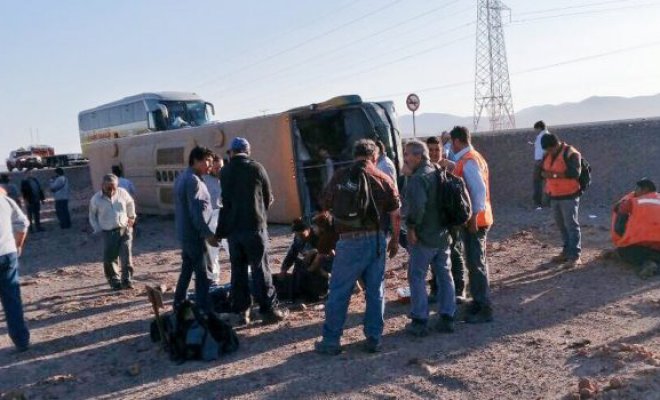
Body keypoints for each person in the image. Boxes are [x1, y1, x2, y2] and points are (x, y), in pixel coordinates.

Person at [315, 139, 401, 355]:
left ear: (355, 155)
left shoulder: (340, 176)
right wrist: (395, 239)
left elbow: (324, 203)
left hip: (348, 241)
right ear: (374, 157)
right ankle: (373, 338)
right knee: (375, 290)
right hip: (375, 240)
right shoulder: (382, 177)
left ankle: (331, 341)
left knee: (339, 292)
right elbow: (395, 213)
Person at [220, 137, 288, 324]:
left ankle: (241, 312)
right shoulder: (257, 168)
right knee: (260, 268)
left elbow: (225, 202)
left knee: (238, 270)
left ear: (232, 152)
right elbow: (267, 197)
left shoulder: (225, 171)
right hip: (254, 227)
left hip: (234, 231)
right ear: (248, 151)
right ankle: (268, 310)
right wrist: (260, 213)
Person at [402, 140, 456, 337]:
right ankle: (448, 316)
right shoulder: (436, 170)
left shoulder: (418, 178)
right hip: (443, 235)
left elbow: (417, 207)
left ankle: (420, 320)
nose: (405, 158)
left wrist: (411, 229)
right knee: (444, 275)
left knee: (416, 276)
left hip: (425, 237)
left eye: (407, 154)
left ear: (417, 156)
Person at [449, 126, 494, 323]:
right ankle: (478, 300)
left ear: (457, 141)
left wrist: (474, 217)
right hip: (479, 218)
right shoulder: (473, 158)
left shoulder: (469, 161)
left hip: (477, 220)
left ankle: (483, 306)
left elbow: (478, 191)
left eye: (452, 142)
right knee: (476, 261)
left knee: (476, 263)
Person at [173, 146, 218, 313]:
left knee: (187, 271)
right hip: (195, 235)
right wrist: (207, 234)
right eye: (207, 161)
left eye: (211, 162)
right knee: (203, 274)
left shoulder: (183, 177)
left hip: (186, 233)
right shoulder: (193, 180)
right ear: (196, 160)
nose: (210, 166)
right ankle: (204, 310)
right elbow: (196, 212)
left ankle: (179, 304)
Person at [426, 136, 466, 304]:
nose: (434, 153)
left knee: (455, 252)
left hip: (450, 218)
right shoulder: (424, 170)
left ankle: (459, 289)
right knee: (434, 256)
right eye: (431, 150)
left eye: (437, 149)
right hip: (433, 221)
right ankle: (436, 288)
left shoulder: (451, 167)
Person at [540, 132, 583, 267]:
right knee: (561, 225)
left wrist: (553, 175)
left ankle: (575, 256)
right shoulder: (547, 154)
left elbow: (575, 173)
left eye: (549, 149)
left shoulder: (571, 153)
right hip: (554, 195)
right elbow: (542, 171)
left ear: (555, 145)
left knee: (571, 225)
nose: (548, 152)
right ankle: (566, 251)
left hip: (569, 195)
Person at [88, 174, 137, 290]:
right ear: (102, 186)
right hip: (108, 232)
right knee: (110, 258)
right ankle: (114, 281)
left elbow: (130, 203)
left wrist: (132, 217)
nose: (111, 190)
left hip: (125, 229)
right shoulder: (96, 199)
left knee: (126, 256)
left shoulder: (122, 193)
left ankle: (127, 280)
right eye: (108, 187)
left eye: (114, 187)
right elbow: (92, 216)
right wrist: (97, 228)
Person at [0, 187, 30, 352]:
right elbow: (23, 223)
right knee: (12, 299)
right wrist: (18, 245)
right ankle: (21, 341)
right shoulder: (6, 200)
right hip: (7, 253)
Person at [611, 178, 660, 278]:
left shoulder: (631, 202)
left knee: (623, 251)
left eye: (637, 189)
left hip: (639, 246)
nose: (635, 192)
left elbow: (619, 227)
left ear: (645, 189)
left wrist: (622, 241)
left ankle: (648, 263)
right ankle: (654, 261)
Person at [202, 155, 226, 286]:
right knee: (212, 251)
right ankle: (214, 278)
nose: (219, 170)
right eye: (216, 168)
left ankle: (244, 275)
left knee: (232, 247)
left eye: (221, 167)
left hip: (225, 216)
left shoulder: (226, 179)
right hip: (211, 217)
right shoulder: (204, 180)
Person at [533, 121, 550, 209]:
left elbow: (545, 150)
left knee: (537, 181)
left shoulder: (543, 136)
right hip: (544, 161)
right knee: (547, 181)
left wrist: (542, 161)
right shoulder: (546, 135)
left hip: (541, 161)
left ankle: (538, 201)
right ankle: (547, 201)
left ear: (539, 128)